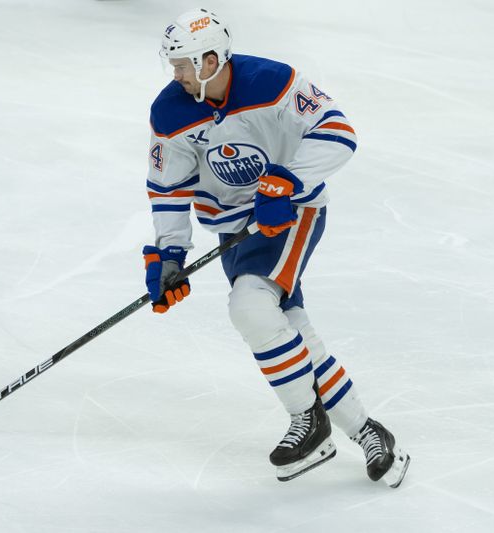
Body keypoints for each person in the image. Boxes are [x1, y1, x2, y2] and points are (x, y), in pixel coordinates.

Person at [142, 8, 410, 487]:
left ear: (209, 59)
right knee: (288, 326)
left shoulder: (273, 81)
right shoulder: (170, 111)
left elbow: (338, 133)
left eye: (182, 63)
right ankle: (368, 432)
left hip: (290, 215)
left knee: (250, 306)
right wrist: (169, 256)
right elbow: (167, 189)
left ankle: (308, 419)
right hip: (234, 230)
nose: (176, 74)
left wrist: (285, 182)